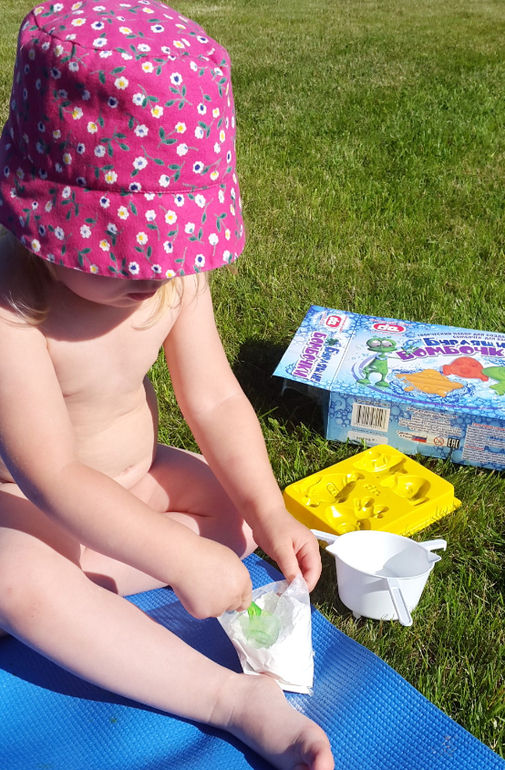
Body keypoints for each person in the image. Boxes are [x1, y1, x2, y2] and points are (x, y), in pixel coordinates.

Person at [0, 2, 334, 769]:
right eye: (124, 251)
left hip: (138, 477)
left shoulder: (170, 275)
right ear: (46, 220)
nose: (154, 274)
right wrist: (178, 559)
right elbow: (52, 472)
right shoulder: (13, 305)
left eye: (171, 248)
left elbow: (212, 398)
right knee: (16, 578)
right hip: (25, 502)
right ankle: (229, 700)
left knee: (235, 516)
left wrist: (267, 508)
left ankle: (85, 599)